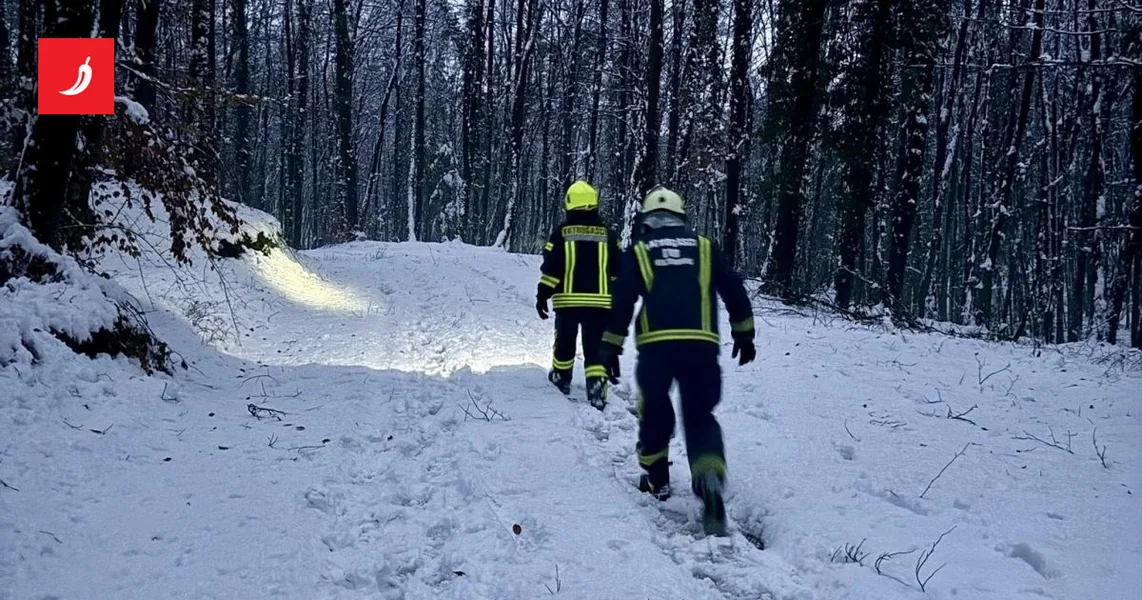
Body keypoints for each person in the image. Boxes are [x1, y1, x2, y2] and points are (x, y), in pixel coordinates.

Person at [598, 186, 756, 537]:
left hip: (657, 349)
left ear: (646, 222)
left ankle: (657, 478)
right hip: (702, 347)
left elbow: (622, 301)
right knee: (700, 416)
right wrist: (744, 333)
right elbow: (734, 289)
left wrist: (610, 347)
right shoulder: (705, 247)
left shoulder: (640, 250)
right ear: (681, 218)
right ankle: (709, 475)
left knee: (654, 410)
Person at [536, 180, 621, 410]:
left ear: (569, 204)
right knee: (596, 348)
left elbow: (552, 269)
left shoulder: (561, 234)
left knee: (564, 344)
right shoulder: (610, 235)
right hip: (600, 305)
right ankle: (597, 389)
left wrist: (542, 295)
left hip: (568, 304)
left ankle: (561, 378)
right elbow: (619, 270)